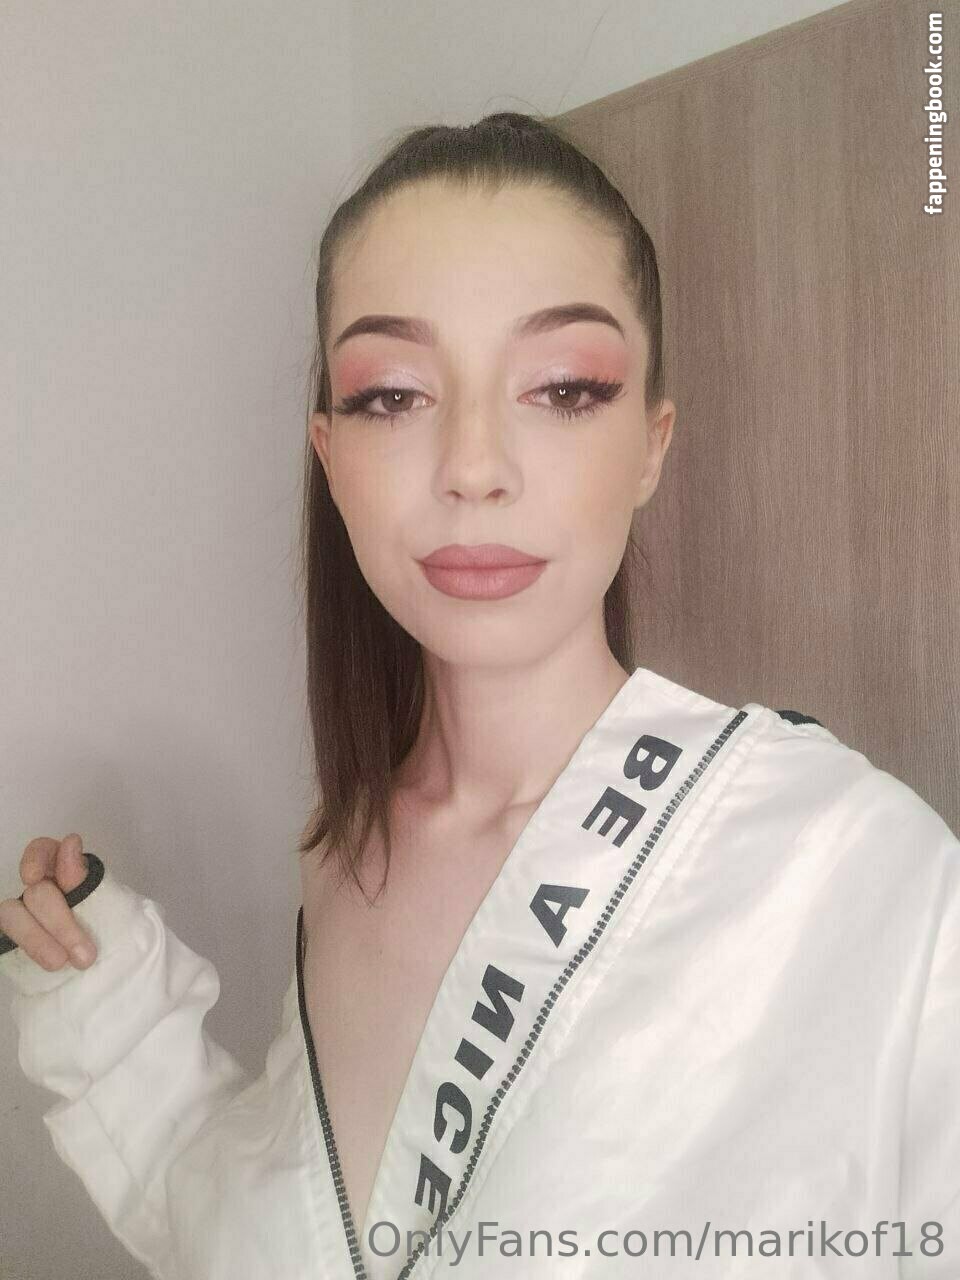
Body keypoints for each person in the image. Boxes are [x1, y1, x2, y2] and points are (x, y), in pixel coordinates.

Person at [1, 112, 957, 1280]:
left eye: (563, 387)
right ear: (330, 453)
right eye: (393, 396)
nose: (472, 466)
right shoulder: (340, 856)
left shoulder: (849, 867)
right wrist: (101, 1009)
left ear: (652, 444)